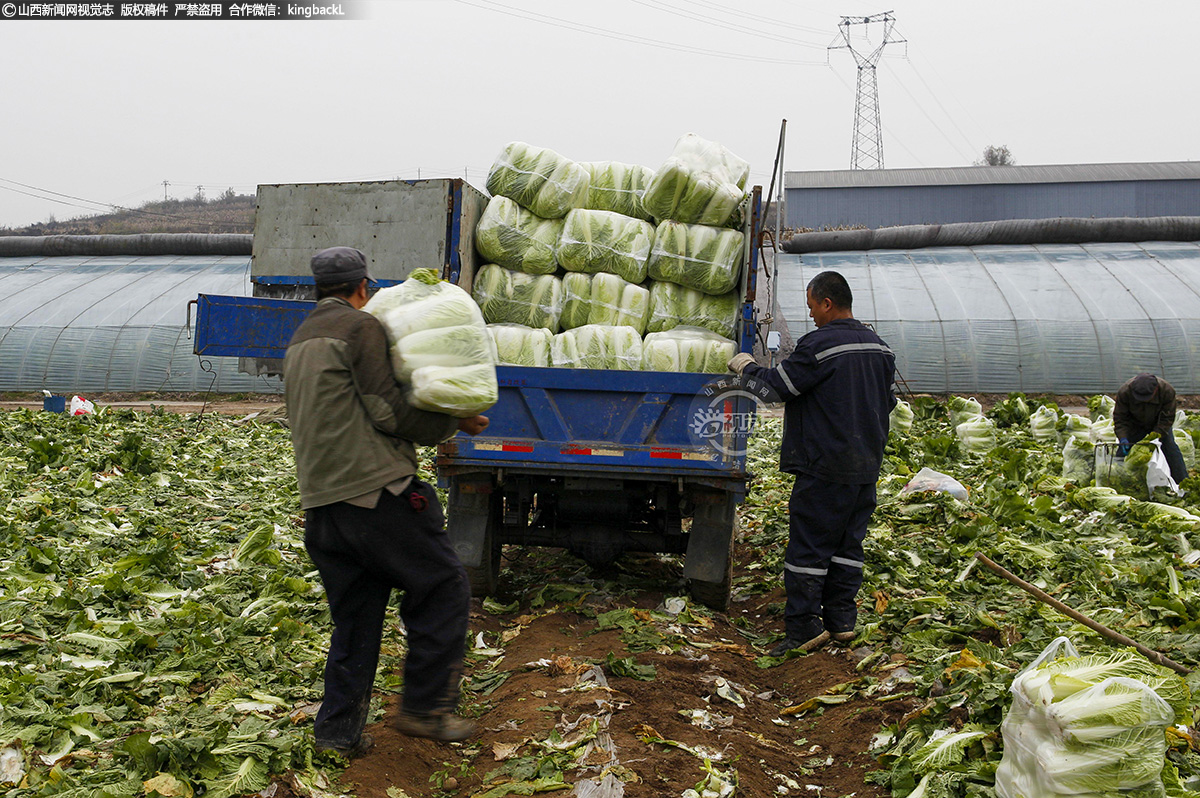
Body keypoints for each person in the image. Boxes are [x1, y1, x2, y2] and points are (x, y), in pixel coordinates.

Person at [284, 246, 489, 756]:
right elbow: (386, 412)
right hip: (376, 492)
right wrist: (451, 422)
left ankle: (336, 733)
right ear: (363, 289)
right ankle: (424, 709)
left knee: (356, 619)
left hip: (323, 506)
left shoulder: (300, 339)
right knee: (443, 588)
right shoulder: (361, 329)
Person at [728, 271, 895, 656]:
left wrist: (747, 368)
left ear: (827, 303)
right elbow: (886, 404)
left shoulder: (819, 346)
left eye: (811, 308)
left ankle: (803, 629)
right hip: (865, 466)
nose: (812, 316)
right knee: (848, 547)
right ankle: (841, 623)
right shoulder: (880, 347)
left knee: (809, 549)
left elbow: (776, 388)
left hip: (824, 465)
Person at [1114, 373, 1187, 484]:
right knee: (1122, 454)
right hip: (1135, 425)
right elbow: (1120, 418)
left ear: (1156, 389)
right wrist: (1123, 438)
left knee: (1170, 449)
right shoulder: (1125, 392)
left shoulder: (1167, 391)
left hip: (1158, 425)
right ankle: (1118, 482)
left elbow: (1167, 419)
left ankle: (1182, 482)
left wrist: (1155, 435)